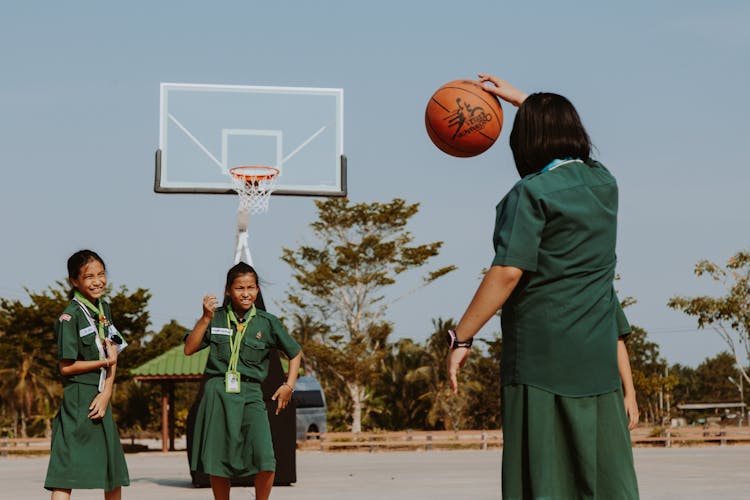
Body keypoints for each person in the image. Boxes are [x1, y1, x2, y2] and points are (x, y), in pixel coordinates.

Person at [445, 74, 640, 499]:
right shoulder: (605, 184)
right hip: (598, 363)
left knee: (543, 480)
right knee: (604, 482)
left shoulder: (530, 193)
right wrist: (525, 101)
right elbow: (607, 300)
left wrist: (461, 337)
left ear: (526, 140)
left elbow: (507, 272)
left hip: (542, 360)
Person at [184, 262, 302, 500]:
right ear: (228, 290)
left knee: (266, 458)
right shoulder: (215, 318)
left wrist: (288, 385)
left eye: (251, 287)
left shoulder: (267, 322)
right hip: (218, 392)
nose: (246, 293)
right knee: (219, 461)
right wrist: (205, 318)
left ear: (258, 290)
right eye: (240, 288)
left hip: (251, 393)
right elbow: (189, 348)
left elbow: (295, 353)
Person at [45, 249, 130, 499]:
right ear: (74, 281)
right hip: (79, 398)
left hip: (101, 395)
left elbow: (113, 354)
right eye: (89, 276)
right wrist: (102, 361)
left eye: (101, 274)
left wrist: (106, 394)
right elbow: (66, 367)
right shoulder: (69, 316)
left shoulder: (104, 310)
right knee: (65, 472)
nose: (98, 281)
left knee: (113, 473)